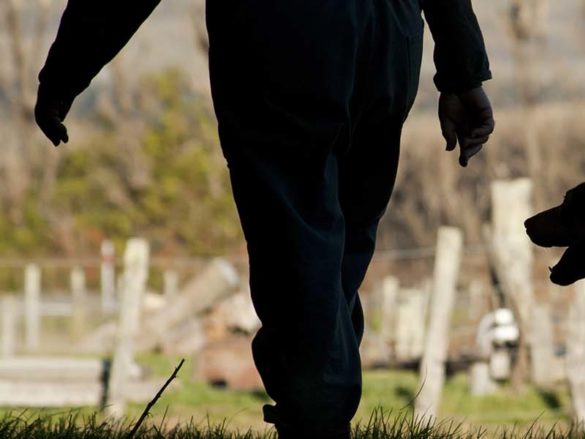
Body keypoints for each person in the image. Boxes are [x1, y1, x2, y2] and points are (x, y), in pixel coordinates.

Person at [34, 0, 494, 437]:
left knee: (300, 248)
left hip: (285, 34)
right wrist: (463, 70)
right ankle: (319, 407)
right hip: (390, 37)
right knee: (340, 252)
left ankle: (318, 417)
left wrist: (66, 69)